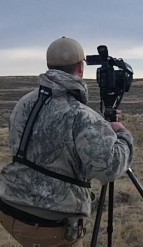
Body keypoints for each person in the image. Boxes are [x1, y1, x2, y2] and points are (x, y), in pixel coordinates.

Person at [0, 37, 134, 246]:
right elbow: (109, 169)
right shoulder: (81, 115)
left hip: (10, 209)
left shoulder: (23, 103)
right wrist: (123, 135)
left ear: (49, 66)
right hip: (49, 225)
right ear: (81, 68)